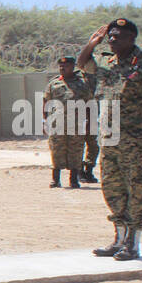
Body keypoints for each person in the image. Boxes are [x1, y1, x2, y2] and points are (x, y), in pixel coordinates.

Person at [78, 18, 142, 261]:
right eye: (111, 36)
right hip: (109, 139)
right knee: (112, 189)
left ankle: (133, 244)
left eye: (118, 36)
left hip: (136, 140)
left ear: (131, 38)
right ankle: (118, 239)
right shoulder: (106, 62)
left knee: (136, 190)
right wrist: (92, 43)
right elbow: (82, 63)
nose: (112, 39)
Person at [42, 55, 92, 189]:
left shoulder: (82, 84)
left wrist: (89, 122)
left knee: (76, 150)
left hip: (76, 125)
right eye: (61, 66)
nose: (62, 68)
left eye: (66, 66)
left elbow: (89, 104)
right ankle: (55, 179)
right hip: (56, 124)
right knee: (56, 150)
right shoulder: (53, 84)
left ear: (72, 67)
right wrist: (44, 120)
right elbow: (46, 102)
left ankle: (74, 179)